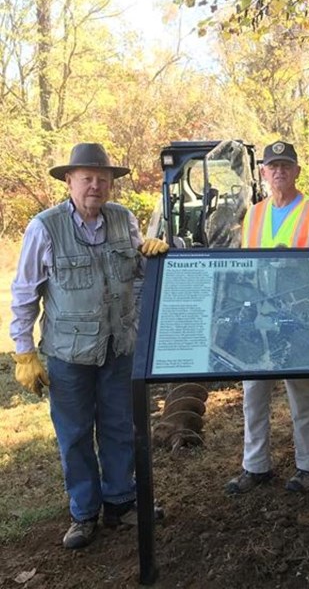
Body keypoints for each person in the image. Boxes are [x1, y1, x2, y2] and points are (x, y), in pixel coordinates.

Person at [10, 143, 169, 550]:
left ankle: (121, 501)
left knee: (120, 428)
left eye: (103, 178)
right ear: (69, 182)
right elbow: (26, 292)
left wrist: (155, 256)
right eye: (86, 178)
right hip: (69, 355)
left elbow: (138, 275)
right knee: (76, 435)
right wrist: (24, 350)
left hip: (119, 348)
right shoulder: (44, 228)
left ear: (112, 184)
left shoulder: (124, 220)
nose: (95, 186)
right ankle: (84, 512)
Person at [226, 140, 309, 495]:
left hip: (300, 318)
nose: (279, 172)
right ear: (263, 172)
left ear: (297, 171)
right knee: (253, 396)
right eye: (272, 166)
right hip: (258, 315)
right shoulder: (254, 213)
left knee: (303, 394)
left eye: (286, 166)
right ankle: (255, 466)